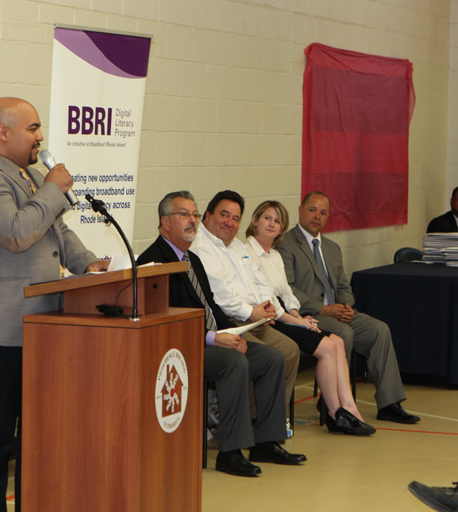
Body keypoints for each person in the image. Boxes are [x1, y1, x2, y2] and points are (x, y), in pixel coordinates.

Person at [0, 97, 108, 512]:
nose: (40, 136)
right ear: (3, 133)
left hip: (43, 325)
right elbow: (18, 232)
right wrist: (53, 190)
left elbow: (59, 234)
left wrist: (91, 267)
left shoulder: (33, 177)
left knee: (40, 430)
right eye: (33, 128)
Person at [137, 191, 304, 476]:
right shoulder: (153, 263)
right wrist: (215, 338)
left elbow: (210, 307)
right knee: (234, 363)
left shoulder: (192, 260)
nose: (193, 221)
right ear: (165, 222)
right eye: (184, 215)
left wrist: (231, 332)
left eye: (194, 214)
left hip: (211, 335)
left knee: (271, 358)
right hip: (180, 346)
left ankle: (265, 441)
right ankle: (230, 452)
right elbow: (165, 322)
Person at [277, 192, 419, 424]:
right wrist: (324, 309)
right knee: (344, 333)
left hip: (337, 312)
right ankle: (334, 402)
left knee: (379, 330)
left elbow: (344, 284)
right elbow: (288, 289)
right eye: (312, 210)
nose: (317, 216)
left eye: (323, 213)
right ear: (300, 210)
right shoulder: (286, 245)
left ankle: (389, 403)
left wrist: (346, 306)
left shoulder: (332, 247)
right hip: (308, 315)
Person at [244, 200, 373, 436]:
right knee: (326, 346)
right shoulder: (247, 253)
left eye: (277, 221)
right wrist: (298, 321)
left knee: (338, 342)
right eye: (267, 218)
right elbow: (267, 301)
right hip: (270, 321)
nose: (272, 224)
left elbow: (286, 293)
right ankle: (336, 414)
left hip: (287, 317)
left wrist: (297, 313)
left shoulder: (274, 255)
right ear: (255, 221)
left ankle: (349, 408)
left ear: (282, 228)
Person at [189, 191, 300, 411]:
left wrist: (266, 307)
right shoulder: (200, 247)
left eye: (235, 218)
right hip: (231, 322)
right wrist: (253, 312)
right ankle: (248, 421)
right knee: (265, 358)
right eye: (224, 215)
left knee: (290, 351)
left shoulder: (238, 246)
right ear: (208, 216)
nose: (229, 223)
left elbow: (261, 281)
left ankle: (273, 419)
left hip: (256, 318)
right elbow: (222, 296)